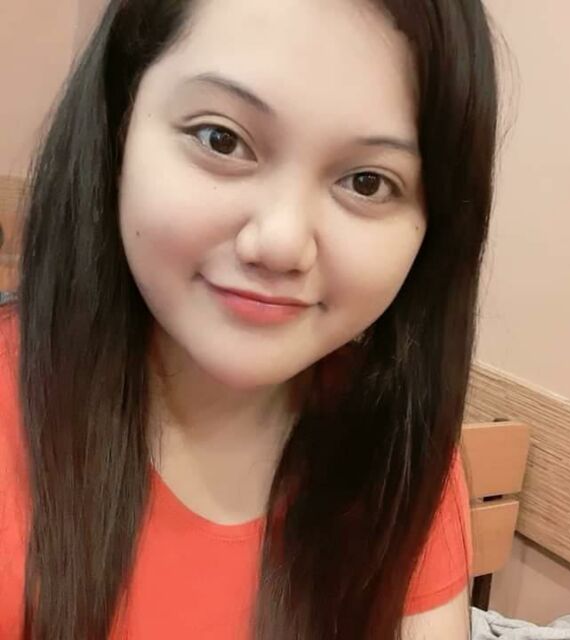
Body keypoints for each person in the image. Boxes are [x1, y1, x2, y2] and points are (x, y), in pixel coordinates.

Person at [0, 0, 498, 637]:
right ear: (117, 122)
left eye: (367, 182)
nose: (282, 243)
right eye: (222, 139)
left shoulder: (398, 454)